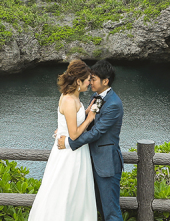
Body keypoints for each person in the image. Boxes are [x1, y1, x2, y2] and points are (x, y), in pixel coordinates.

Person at [28, 59, 97, 221]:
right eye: (87, 79)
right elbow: (73, 134)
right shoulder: (68, 100)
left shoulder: (74, 97)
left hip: (77, 152)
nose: (90, 82)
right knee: (64, 192)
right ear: (79, 81)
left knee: (77, 194)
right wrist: (89, 119)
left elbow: (73, 121)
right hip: (69, 155)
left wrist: (88, 110)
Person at [58, 60, 124, 221]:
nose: (90, 82)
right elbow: (87, 121)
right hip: (90, 162)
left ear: (105, 81)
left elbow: (97, 131)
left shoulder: (113, 104)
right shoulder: (97, 98)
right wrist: (62, 129)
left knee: (111, 211)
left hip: (106, 163)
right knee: (96, 207)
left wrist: (69, 142)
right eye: (90, 78)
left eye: (93, 79)